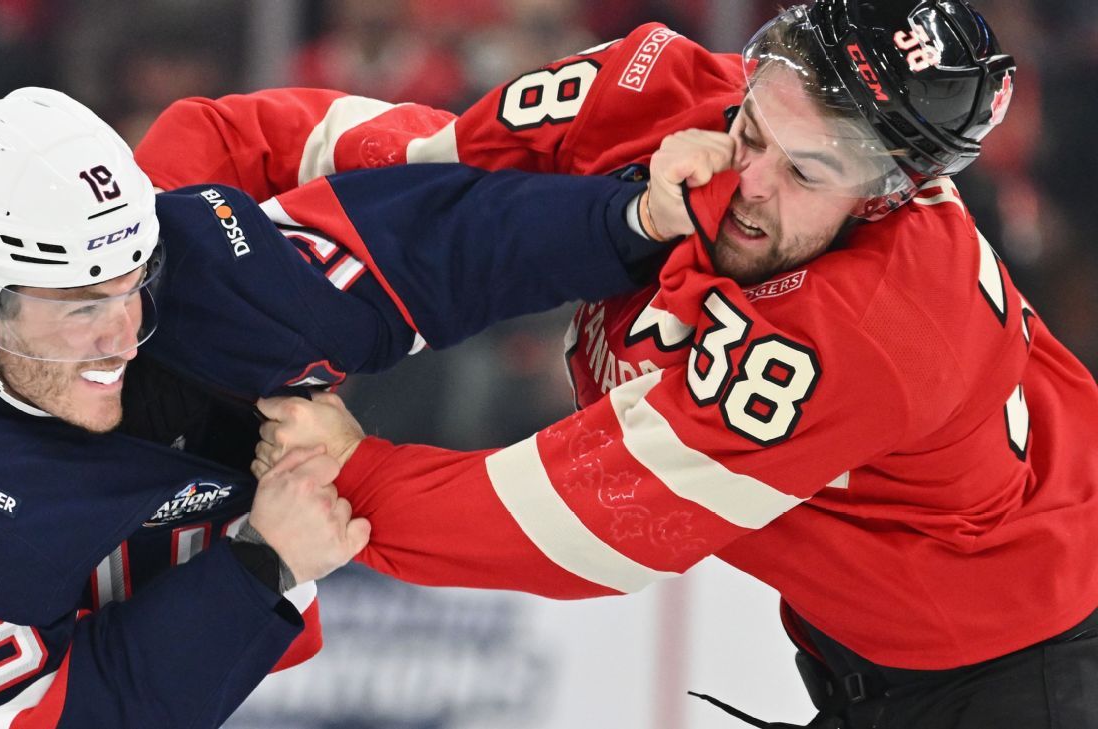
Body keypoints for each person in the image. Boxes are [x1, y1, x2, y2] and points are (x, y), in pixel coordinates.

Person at [139, 1, 1098, 727]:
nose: (750, 183)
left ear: (887, 196)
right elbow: (416, 161)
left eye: (806, 172)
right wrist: (148, 215)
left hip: (1027, 668)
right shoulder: (650, 85)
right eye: (753, 127)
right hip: (888, 643)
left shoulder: (871, 329)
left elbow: (588, 525)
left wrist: (350, 476)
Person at [0, 87, 673, 728]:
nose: (122, 335)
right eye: (83, 307)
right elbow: (87, 713)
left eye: (132, 284)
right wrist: (263, 564)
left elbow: (427, 247)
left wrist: (634, 215)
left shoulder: (163, 269)